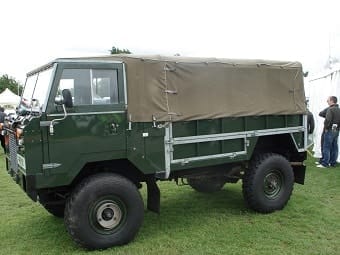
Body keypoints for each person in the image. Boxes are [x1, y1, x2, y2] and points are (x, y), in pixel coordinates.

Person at [317, 96, 340, 168]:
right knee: (334, 146)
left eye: (328, 100)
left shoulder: (330, 109)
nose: (327, 101)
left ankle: (325, 163)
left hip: (330, 129)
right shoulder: (338, 109)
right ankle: (332, 163)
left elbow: (328, 120)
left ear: (332, 101)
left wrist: (326, 128)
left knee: (326, 146)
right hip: (336, 129)